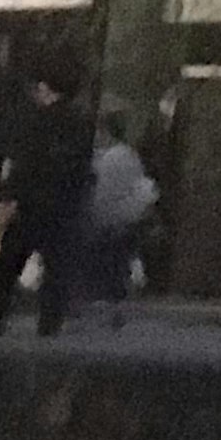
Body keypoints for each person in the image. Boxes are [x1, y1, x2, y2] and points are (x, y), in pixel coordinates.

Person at [0, 63, 97, 339]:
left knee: (7, 263)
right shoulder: (80, 124)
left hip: (31, 204)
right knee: (56, 268)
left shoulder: (36, 122)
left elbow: (24, 164)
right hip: (63, 205)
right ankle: (49, 323)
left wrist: (5, 194)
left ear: (44, 87)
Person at [80, 109, 158, 326]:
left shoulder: (112, 158)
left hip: (112, 222)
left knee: (107, 265)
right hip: (126, 220)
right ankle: (114, 307)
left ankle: (106, 307)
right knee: (116, 266)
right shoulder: (128, 155)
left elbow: (103, 194)